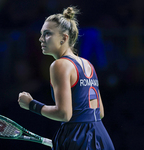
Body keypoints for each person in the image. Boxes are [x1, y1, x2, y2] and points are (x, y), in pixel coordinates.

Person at [18, 6, 115, 150]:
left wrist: (32, 105)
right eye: (41, 34)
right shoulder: (88, 64)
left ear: (64, 38)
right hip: (101, 137)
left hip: (78, 139)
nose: (40, 39)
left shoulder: (59, 65)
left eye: (47, 34)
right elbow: (99, 112)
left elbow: (64, 114)